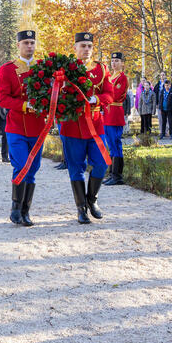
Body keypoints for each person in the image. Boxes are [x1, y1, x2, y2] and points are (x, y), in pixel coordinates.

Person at [61, 32, 115, 224]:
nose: (86, 49)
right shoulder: (66, 68)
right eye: (82, 45)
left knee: (101, 163)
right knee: (75, 168)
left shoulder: (101, 69)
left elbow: (110, 94)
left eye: (89, 46)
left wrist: (96, 99)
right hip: (72, 126)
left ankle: (92, 200)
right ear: (74, 48)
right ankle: (80, 208)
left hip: (95, 125)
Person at [0, 30, 48, 226]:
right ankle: (15, 208)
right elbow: (3, 98)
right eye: (26, 42)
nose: (29, 46)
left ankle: (26, 211)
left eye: (32, 42)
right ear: (18, 45)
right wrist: (24, 105)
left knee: (33, 169)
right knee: (21, 166)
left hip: (37, 127)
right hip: (16, 126)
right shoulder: (7, 69)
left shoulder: (43, 67)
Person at [102, 52, 129, 185]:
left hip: (115, 113)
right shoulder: (110, 77)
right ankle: (111, 173)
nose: (114, 63)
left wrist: (105, 96)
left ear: (122, 63)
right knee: (110, 144)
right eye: (112, 60)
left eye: (117, 60)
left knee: (115, 143)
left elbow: (116, 94)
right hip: (107, 113)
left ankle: (117, 175)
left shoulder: (122, 78)